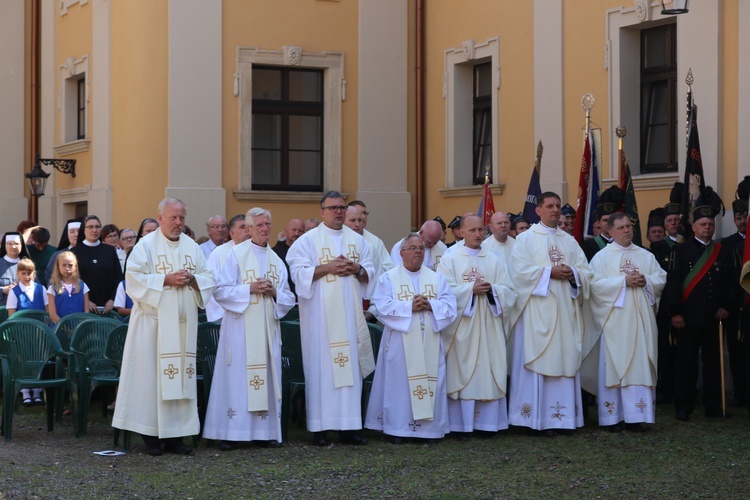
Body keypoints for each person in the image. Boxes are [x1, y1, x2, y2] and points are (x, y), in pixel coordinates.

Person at [112, 198, 215, 456]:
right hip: (152, 327)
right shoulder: (145, 246)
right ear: (160, 218)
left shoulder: (192, 247)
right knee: (151, 381)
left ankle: (176, 437)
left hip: (183, 328)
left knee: (180, 380)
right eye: (174, 218)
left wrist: (194, 281)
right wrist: (166, 280)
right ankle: (151, 436)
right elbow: (133, 280)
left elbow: (209, 278)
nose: (179, 223)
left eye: (182, 218)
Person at [287, 191, 375, 446]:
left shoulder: (358, 241)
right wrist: (328, 268)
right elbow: (297, 274)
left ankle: (350, 428)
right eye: (333, 207)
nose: (339, 211)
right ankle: (320, 429)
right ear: (322, 211)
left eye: (342, 207)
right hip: (320, 321)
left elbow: (370, 272)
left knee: (350, 369)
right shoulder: (307, 241)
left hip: (349, 317)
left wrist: (356, 268)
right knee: (321, 370)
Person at [203, 208, 295, 450]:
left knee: (264, 378)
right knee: (237, 380)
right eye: (260, 225)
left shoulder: (276, 260)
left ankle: (263, 433)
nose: (265, 229)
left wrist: (274, 292)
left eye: (268, 224)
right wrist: (249, 289)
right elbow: (220, 291)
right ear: (249, 228)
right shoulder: (236, 255)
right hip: (239, 330)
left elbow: (288, 297)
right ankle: (231, 433)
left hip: (266, 331)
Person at [508, 192, 593, 434]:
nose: (556, 210)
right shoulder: (525, 240)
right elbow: (519, 273)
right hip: (536, 313)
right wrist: (549, 273)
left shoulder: (569, 241)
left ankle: (563, 419)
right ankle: (534, 419)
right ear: (539, 210)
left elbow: (587, 273)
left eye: (558, 206)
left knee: (565, 359)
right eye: (550, 206)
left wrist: (574, 274)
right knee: (538, 362)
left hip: (565, 313)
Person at [365, 233, 457, 443]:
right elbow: (382, 305)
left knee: (430, 381)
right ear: (402, 252)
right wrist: (409, 307)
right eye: (413, 248)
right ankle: (398, 430)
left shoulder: (436, 277)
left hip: (429, 340)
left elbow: (451, 306)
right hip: (401, 341)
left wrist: (430, 305)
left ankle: (429, 431)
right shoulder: (389, 277)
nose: (418, 252)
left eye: (421, 249)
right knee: (400, 385)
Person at [582, 213, 666, 431]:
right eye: (621, 228)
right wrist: (623, 282)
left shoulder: (645, 255)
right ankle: (613, 417)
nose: (627, 230)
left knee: (639, 365)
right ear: (610, 232)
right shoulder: (602, 257)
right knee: (614, 367)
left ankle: (637, 416)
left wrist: (646, 281)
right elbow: (594, 286)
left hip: (640, 323)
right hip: (614, 324)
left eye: (629, 226)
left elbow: (660, 278)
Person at [437, 214, 517, 437]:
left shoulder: (493, 259)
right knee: (462, 371)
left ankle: (488, 425)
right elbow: (441, 292)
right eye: (472, 230)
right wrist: (469, 290)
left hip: (489, 324)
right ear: (461, 232)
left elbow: (510, 291)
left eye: (481, 230)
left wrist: (493, 290)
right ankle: (460, 426)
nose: (478, 234)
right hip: (462, 327)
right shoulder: (450, 258)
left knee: (488, 369)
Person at [665, 189, 731, 421]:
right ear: (693, 227)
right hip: (689, 318)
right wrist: (676, 312)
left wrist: (725, 306)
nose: (707, 228)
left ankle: (714, 406)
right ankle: (684, 405)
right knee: (686, 364)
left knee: (713, 364)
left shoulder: (721, 252)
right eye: (703, 224)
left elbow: (729, 283)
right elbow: (673, 284)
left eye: (711, 224)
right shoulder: (681, 251)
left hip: (714, 318)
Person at [649, 184, 684, 403]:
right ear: (665, 224)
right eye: (670, 221)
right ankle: (665, 387)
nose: (673, 224)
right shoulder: (658, 247)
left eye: (676, 221)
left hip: (688, 305)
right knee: (666, 349)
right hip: (666, 307)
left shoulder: (689, 244)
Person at [720, 179, 749, 407]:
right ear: (734, 220)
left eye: (745, 217)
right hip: (735, 308)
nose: (743, 222)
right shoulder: (726, 245)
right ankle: (740, 393)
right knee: (737, 353)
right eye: (739, 218)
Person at [7, 257, 49, 406]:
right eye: (23, 273)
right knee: (23, 359)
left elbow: (47, 311)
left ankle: (37, 390)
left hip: (38, 332)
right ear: (18, 273)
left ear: (34, 273)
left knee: (38, 359)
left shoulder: (41, 289)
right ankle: (25, 391)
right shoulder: (14, 292)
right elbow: (12, 315)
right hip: (22, 333)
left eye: (29, 273)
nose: (27, 276)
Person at [346, 202, 395, 320]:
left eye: (364, 214)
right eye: (354, 219)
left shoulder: (374, 243)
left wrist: (373, 309)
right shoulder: (336, 241)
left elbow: (386, 271)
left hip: (368, 301)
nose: (361, 219)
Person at [72, 215, 124, 314]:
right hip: (85, 307)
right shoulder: (75, 252)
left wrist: (112, 299)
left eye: (97, 226)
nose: (94, 230)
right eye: (90, 227)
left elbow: (118, 277)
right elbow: (72, 279)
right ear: (84, 229)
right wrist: (86, 301)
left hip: (109, 307)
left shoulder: (109, 250)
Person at [204, 214, 249, 322]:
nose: (247, 231)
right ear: (232, 233)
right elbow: (211, 287)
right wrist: (222, 316)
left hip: (251, 314)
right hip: (225, 316)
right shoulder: (218, 254)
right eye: (243, 227)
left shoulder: (256, 252)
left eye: (249, 227)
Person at [581, 186, 625, 262]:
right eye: (605, 220)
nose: (608, 223)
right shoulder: (588, 245)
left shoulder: (624, 242)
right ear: (598, 223)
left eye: (611, 220)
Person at [47, 251, 90, 324]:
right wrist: (65, 329)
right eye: (64, 265)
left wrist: (79, 327)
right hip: (59, 329)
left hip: (79, 329)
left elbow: (86, 311)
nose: (67, 268)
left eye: (70, 265)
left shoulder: (82, 286)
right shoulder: (52, 287)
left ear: (75, 267)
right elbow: (53, 315)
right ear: (58, 266)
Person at [272, 218, 305, 298]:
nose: (297, 233)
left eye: (300, 231)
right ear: (286, 231)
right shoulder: (274, 253)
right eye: (293, 230)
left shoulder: (307, 252)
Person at [44, 219, 80, 286]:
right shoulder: (58, 254)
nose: (76, 234)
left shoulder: (89, 252)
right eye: (72, 232)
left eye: (79, 231)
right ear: (67, 234)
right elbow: (49, 275)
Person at [0, 232, 32, 307]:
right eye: (9, 243)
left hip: (23, 309)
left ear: (21, 245)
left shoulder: (28, 264)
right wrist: (3, 290)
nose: (13, 246)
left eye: (16, 243)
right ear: (4, 246)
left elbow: (37, 287)